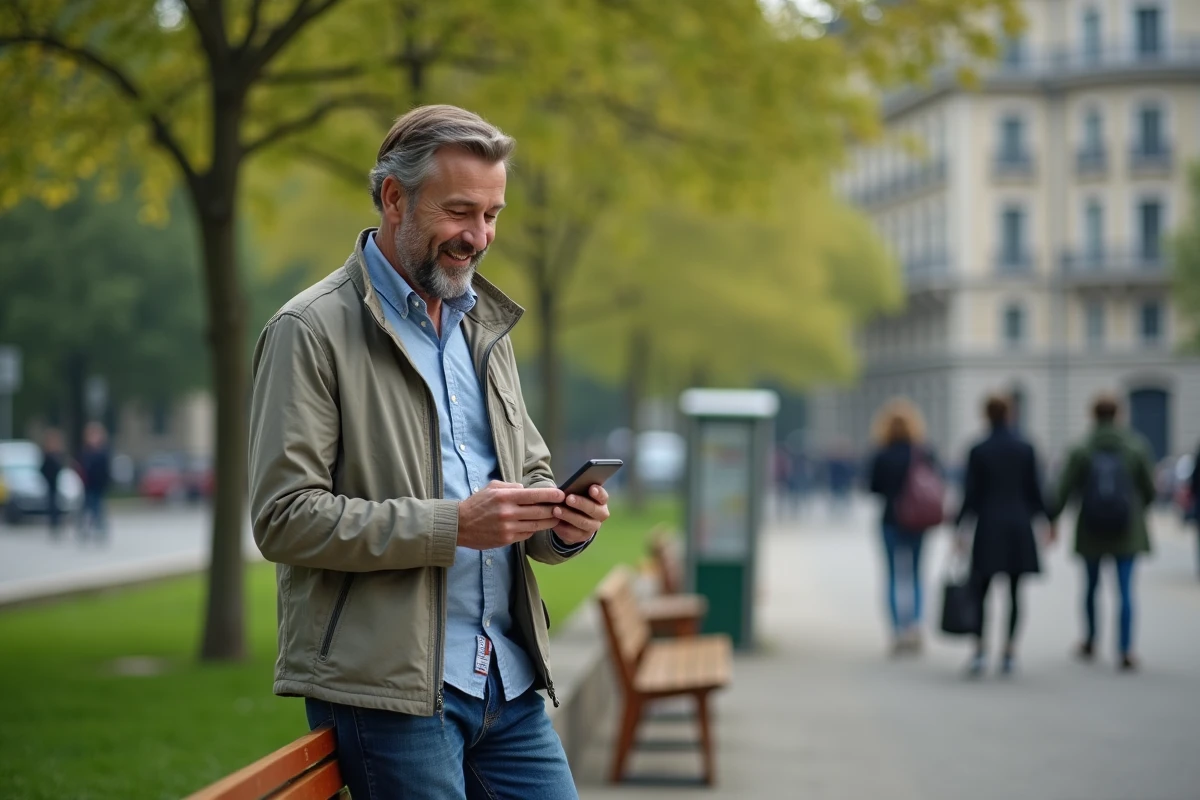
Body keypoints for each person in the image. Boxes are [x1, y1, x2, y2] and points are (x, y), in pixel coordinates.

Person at [247, 105, 610, 800]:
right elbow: (284, 518)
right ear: (394, 198)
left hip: (507, 680)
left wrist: (563, 523)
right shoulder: (309, 330)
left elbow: (527, 473)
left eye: (492, 215)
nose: (479, 237)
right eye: (460, 211)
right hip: (391, 694)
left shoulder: (484, 328)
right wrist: (454, 525)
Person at [1050, 393, 1155, 672]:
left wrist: (1053, 518)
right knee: (1125, 591)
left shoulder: (1082, 448)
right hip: (1127, 529)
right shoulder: (1135, 446)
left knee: (1090, 588)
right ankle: (1125, 648)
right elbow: (1149, 490)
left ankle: (1090, 640)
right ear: (1118, 415)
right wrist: (1138, 509)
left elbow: (1065, 488)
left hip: (1091, 528)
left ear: (1093, 415)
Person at [953, 395, 1051, 677]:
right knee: (1015, 592)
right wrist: (1048, 520)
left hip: (988, 526)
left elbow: (970, 494)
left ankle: (979, 651)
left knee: (980, 591)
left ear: (986, 415)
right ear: (1010, 414)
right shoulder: (1026, 448)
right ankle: (1009, 651)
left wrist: (960, 527)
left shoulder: (979, 449)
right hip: (1019, 526)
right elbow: (1036, 490)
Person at [868, 398, 937, 655]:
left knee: (893, 577)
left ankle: (897, 630)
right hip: (918, 521)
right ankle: (915, 625)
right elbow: (935, 482)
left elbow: (873, 488)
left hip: (891, 519)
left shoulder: (882, 454)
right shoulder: (923, 452)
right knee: (917, 575)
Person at [76, 422, 111, 543]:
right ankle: (85, 529)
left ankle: (99, 528)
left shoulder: (103, 452)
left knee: (98, 508)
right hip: (88, 485)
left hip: (98, 485)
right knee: (86, 508)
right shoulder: (86, 452)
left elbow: (106, 470)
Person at [39, 428, 66, 537]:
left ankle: (56, 524)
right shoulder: (48, 454)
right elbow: (43, 468)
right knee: (51, 505)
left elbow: (60, 468)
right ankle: (53, 524)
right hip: (50, 483)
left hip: (55, 483)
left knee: (55, 505)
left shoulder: (56, 454)